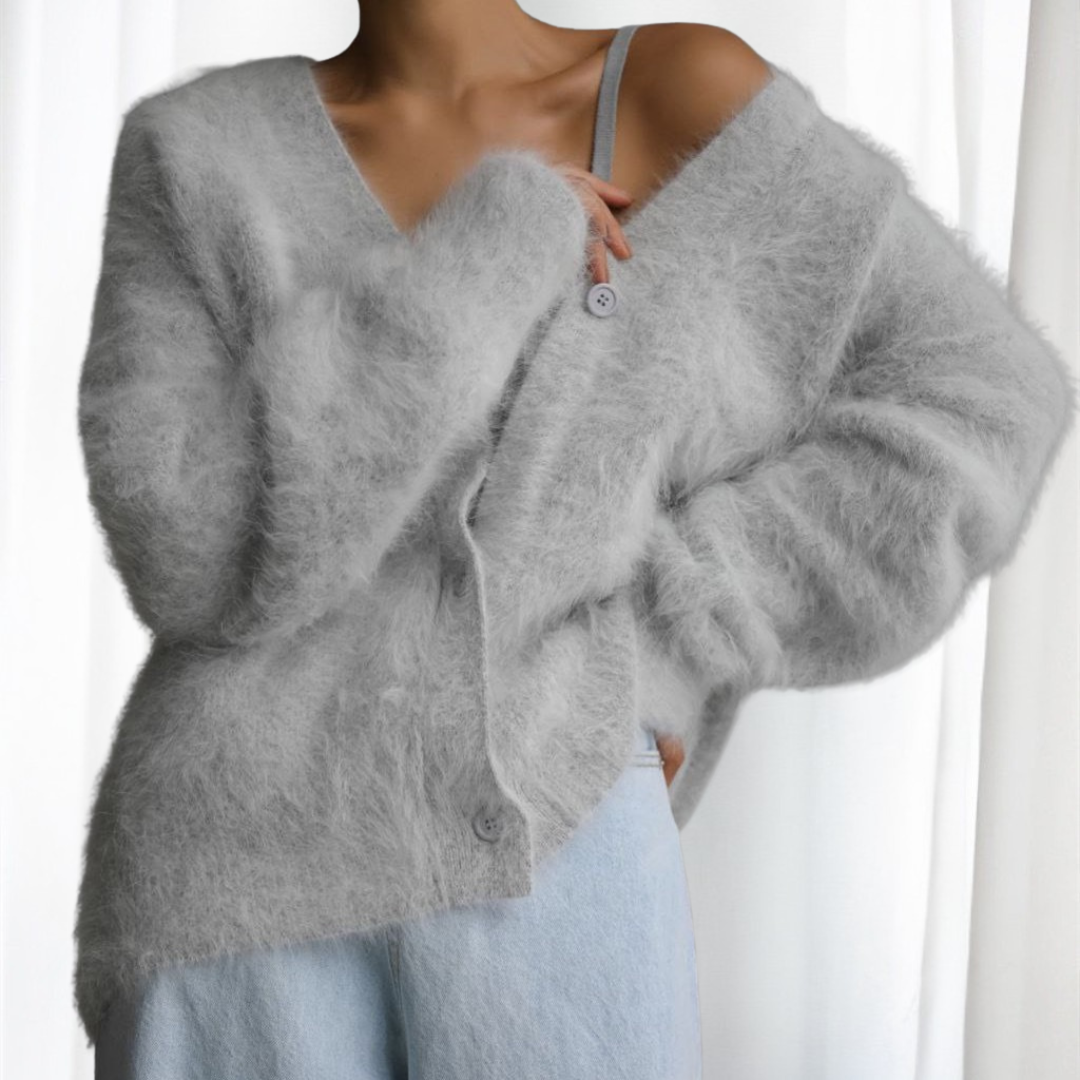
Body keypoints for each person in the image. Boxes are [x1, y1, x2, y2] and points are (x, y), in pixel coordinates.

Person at [78, 4, 1076, 1077]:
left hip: (557, 850)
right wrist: (489, 252)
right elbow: (187, 552)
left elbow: (984, 401)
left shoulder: (680, 90)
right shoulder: (196, 149)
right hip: (229, 896)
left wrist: (673, 630)